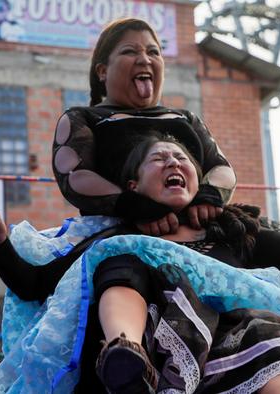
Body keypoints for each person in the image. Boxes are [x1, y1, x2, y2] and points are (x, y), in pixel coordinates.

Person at [0, 135, 280, 393]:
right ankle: (126, 363)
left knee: (273, 336)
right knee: (120, 259)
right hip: (164, 353)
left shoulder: (229, 231)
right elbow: (36, 285)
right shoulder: (118, 238)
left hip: (251, 346)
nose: (174, 163)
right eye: (159, 159)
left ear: (198, 182)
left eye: (182, 159)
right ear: (133, 186)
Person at [52, 17, 235, 233]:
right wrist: (134, 206)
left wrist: (209, 195)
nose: (144, 60)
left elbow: (221, 168)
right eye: (130, 51)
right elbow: (74, 176)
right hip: (120, 238)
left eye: (153, 52)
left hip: (199, 232)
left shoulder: (187, 118)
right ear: (102, 71)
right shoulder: (82, 118)